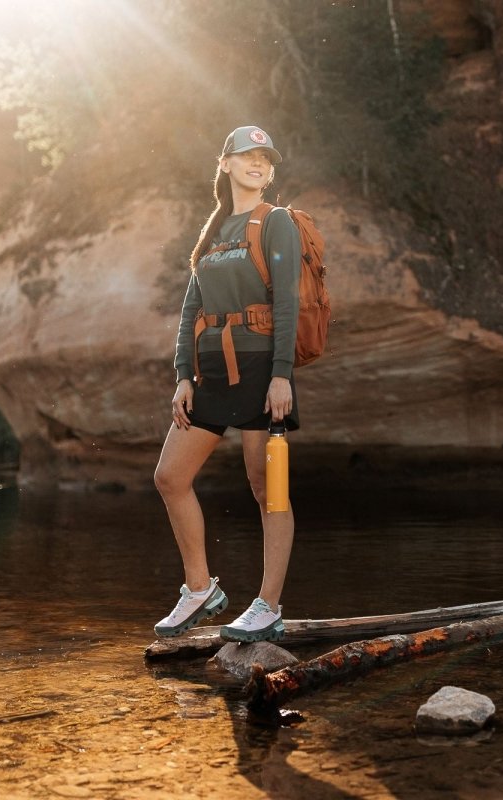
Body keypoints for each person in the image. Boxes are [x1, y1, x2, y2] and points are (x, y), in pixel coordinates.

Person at [153, 125, 301, 643]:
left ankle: (268, 606)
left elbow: (288, 301)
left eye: (265, 157)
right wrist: (183, 376)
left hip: (262, 371)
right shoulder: (215, 230)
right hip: (213, 373)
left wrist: (281, 376)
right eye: (247, 155)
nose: (257, 163)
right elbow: (191, 310)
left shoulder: (276, 222)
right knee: (170, 477)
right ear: (226, 164)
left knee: (268, 490)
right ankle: (200, 590)